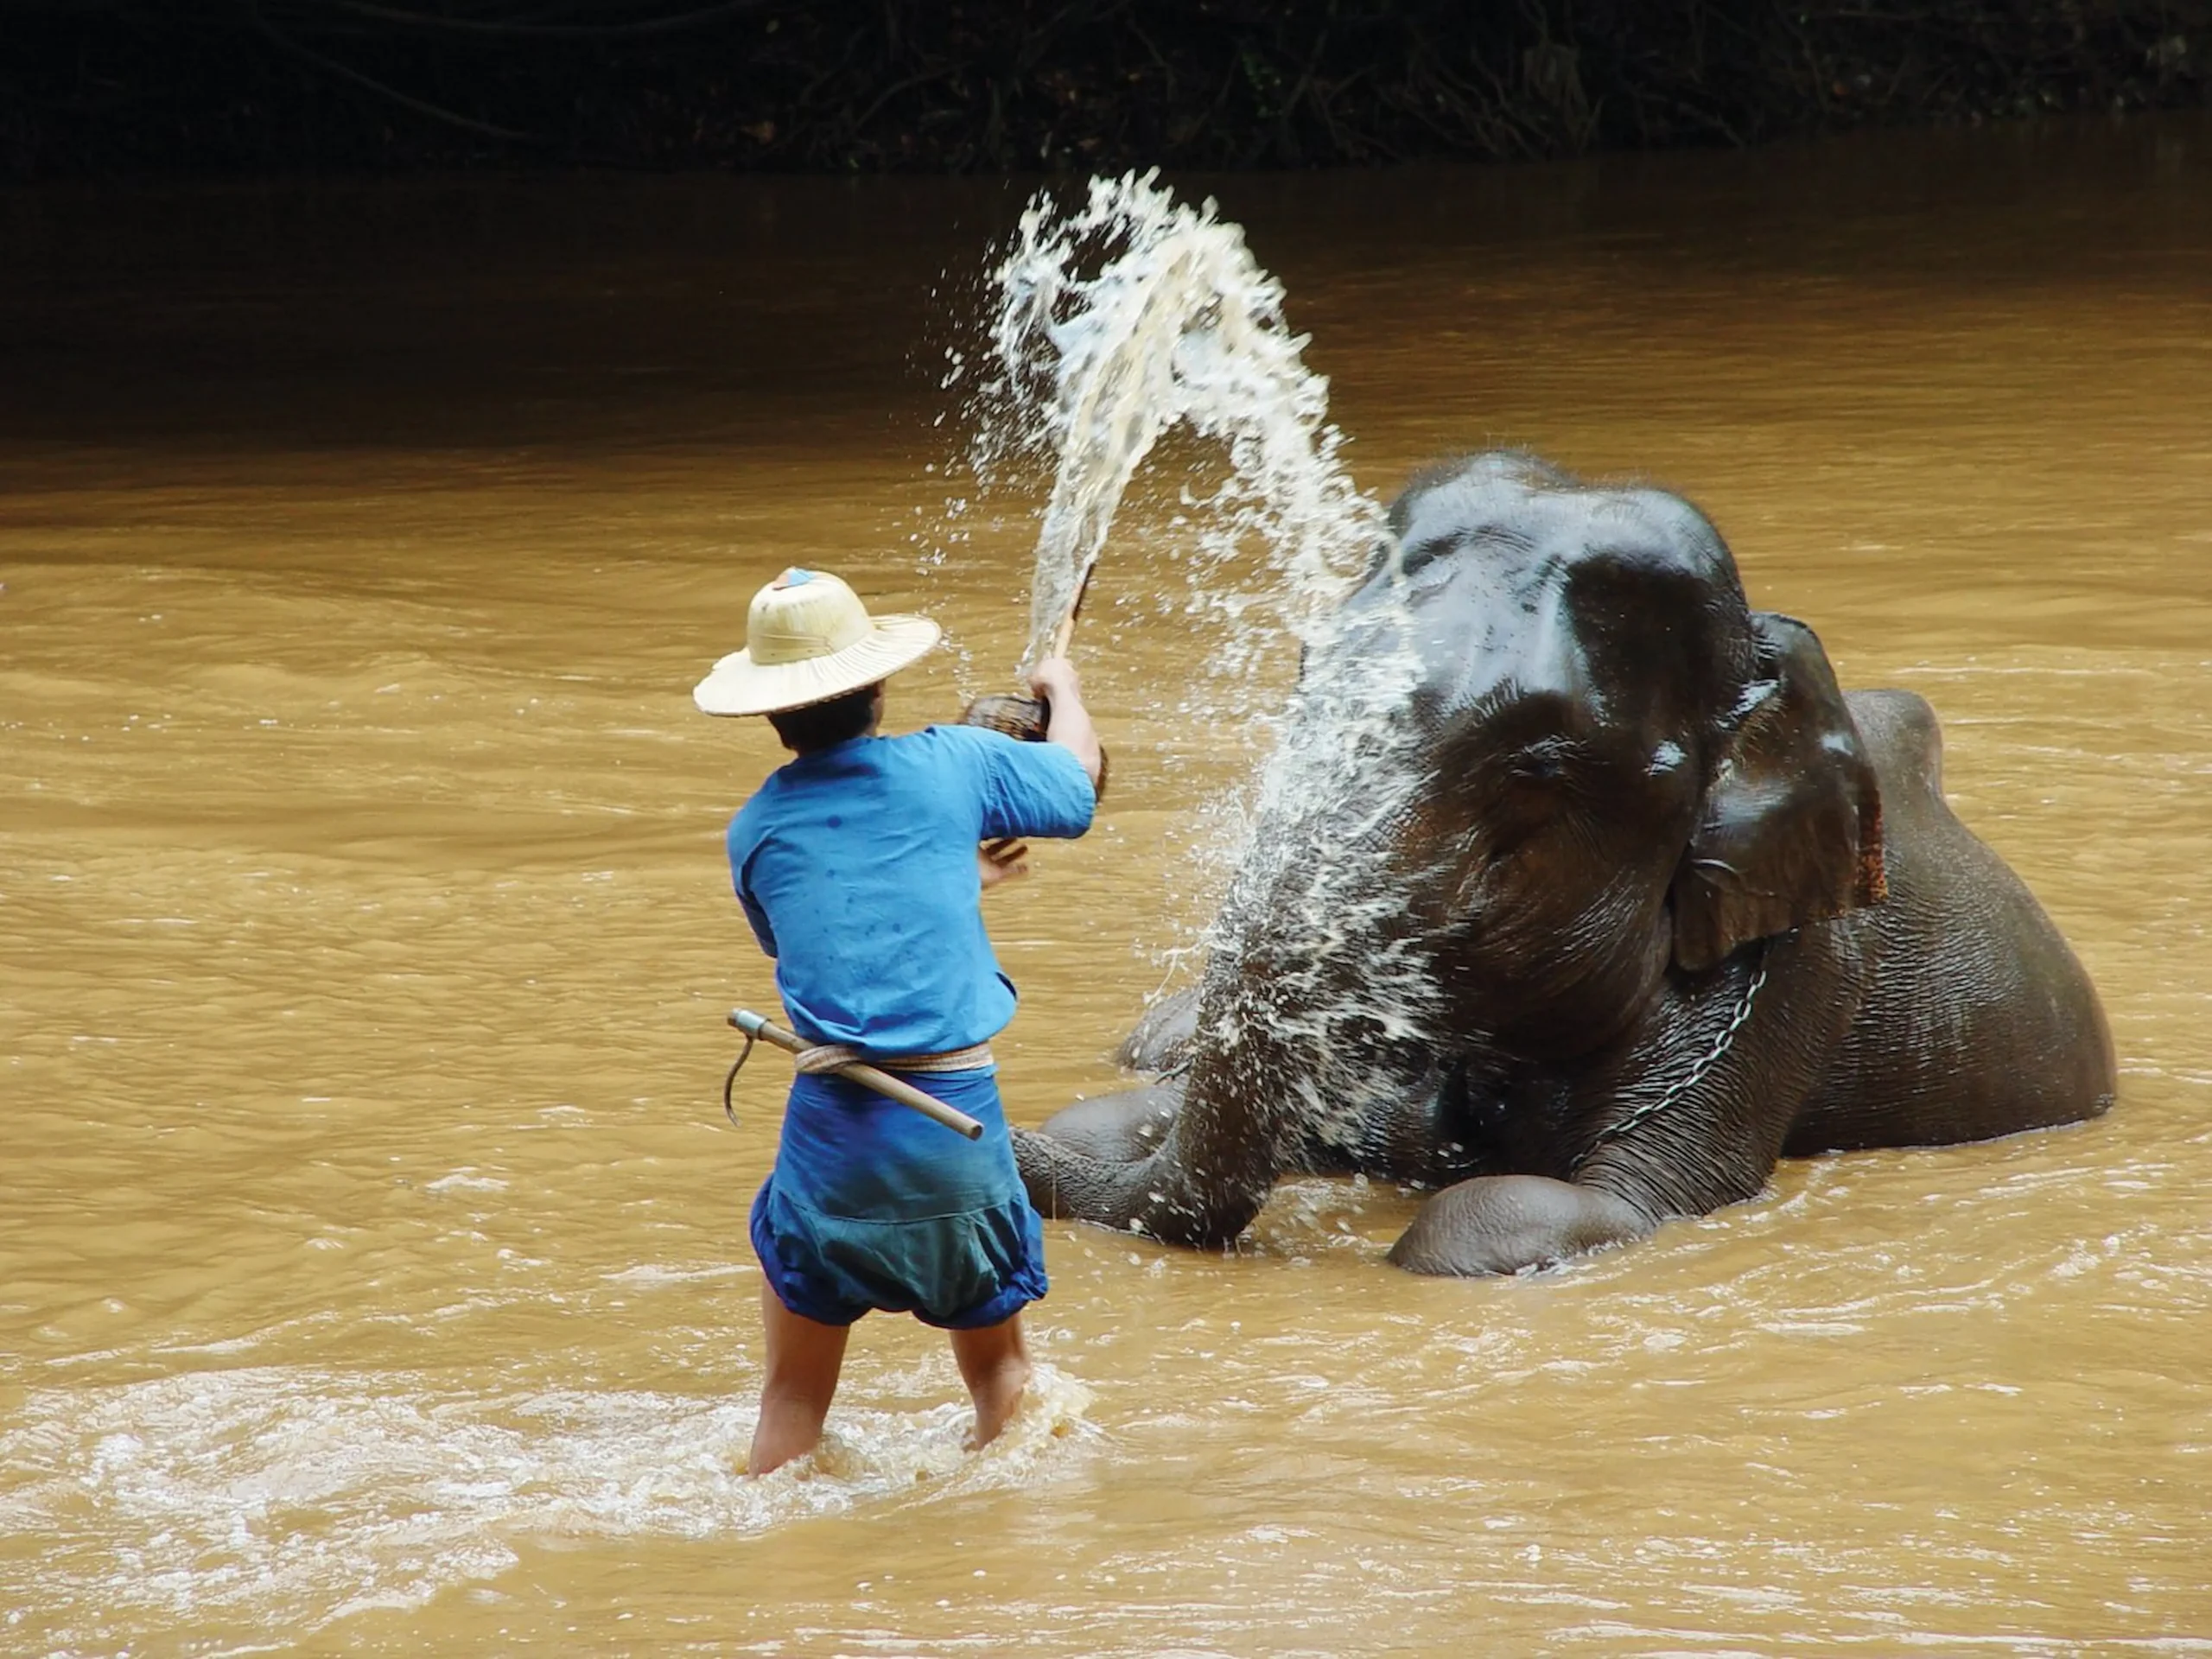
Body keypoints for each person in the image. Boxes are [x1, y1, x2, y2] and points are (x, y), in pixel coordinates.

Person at [694, 567, 1102, 1476]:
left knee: (791, 1403)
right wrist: (1062, 691)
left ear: (771, 711)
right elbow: (1075, 791)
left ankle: (771, 1580)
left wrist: (961, 877)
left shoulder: (755, 827)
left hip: (832, 1142)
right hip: (951, 1124)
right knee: (1003, 1382)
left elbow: (814, 941)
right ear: (878, 687)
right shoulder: (951, 761)